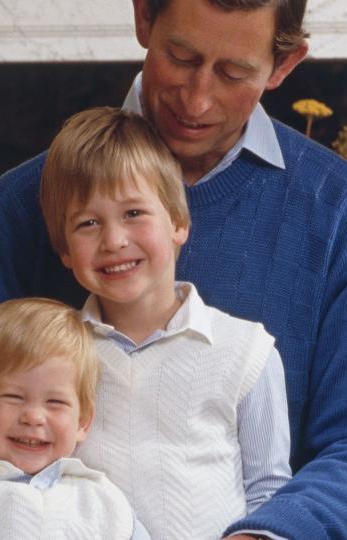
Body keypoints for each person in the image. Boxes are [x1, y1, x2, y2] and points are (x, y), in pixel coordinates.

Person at [0, 0, 347, 539]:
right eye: (182, 57)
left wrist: (269, 535)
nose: (196, 100)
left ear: (283, 64)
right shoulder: (22, 203)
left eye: (234, 72)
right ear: (144, 16)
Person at [41, 106, 292, 538]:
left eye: (134, 213)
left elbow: (269, 489)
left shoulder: (246, 351)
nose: (114, 240)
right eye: (87, 223)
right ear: (64, 250)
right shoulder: (51, 355)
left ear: (178, 223)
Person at [0, 297, 149, 539]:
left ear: (82, 422)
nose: (33, 417)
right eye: (13, 396)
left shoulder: (104, 502)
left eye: (55, 402)